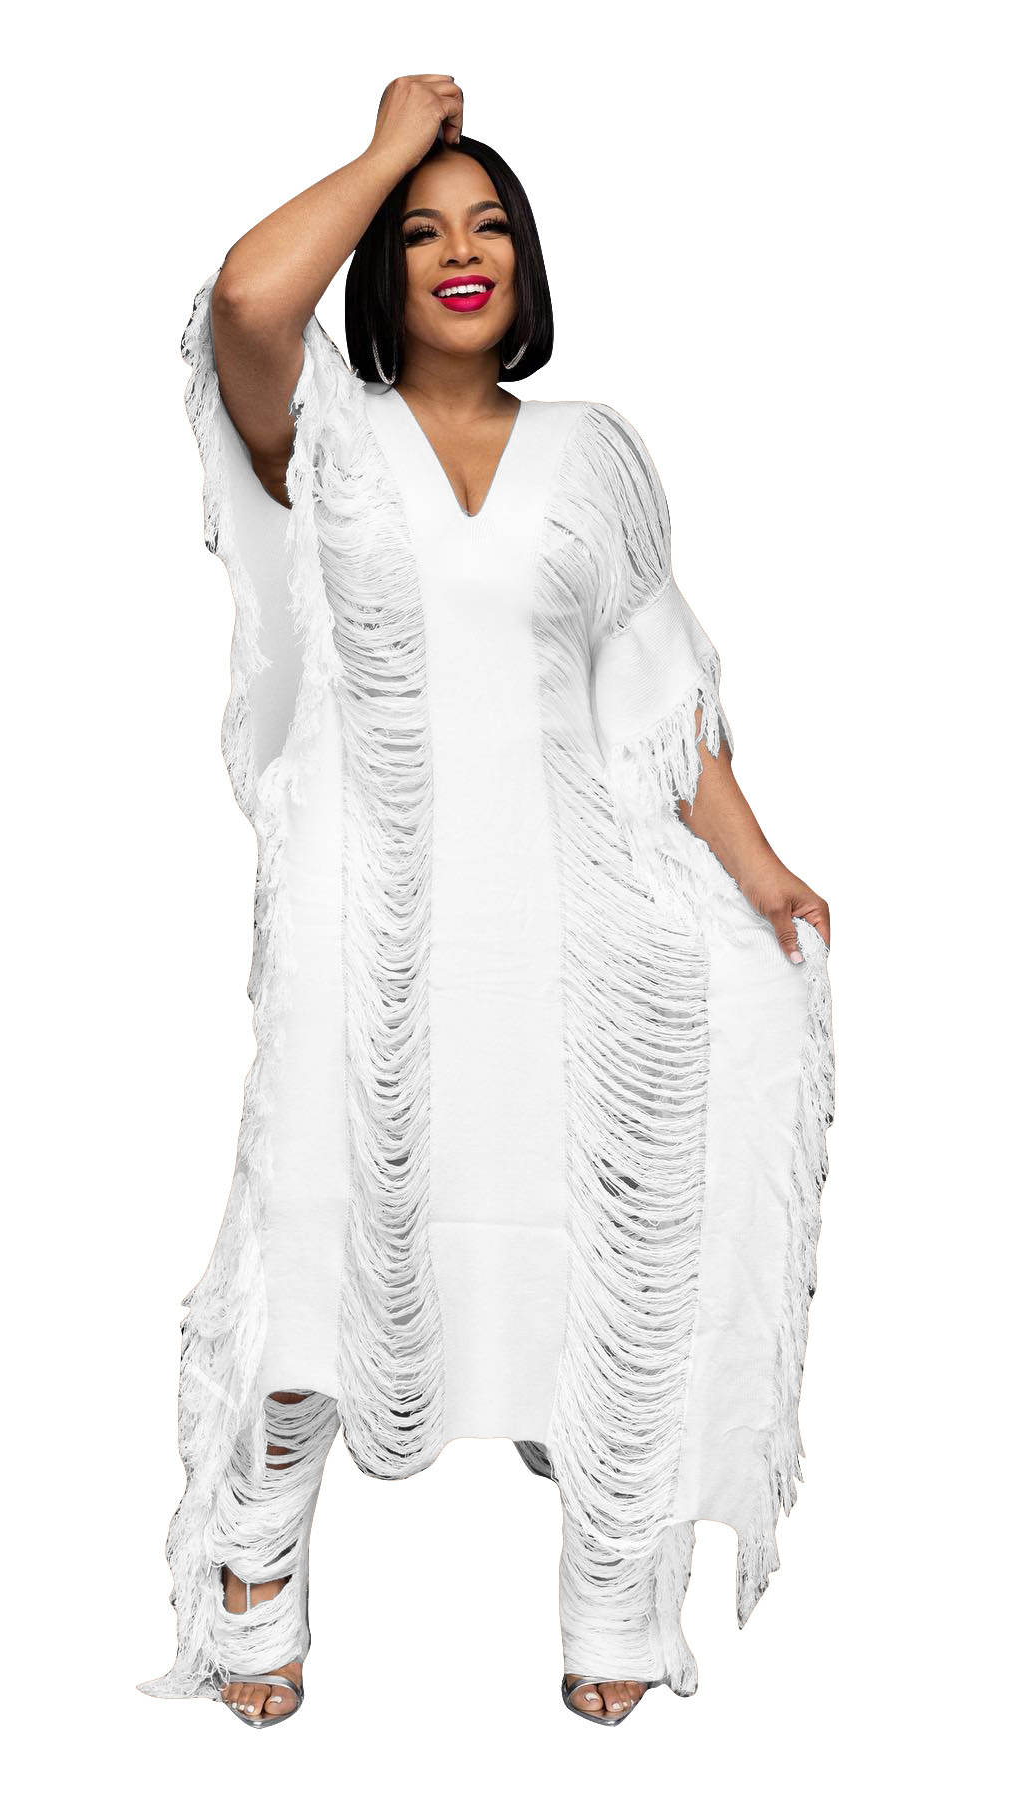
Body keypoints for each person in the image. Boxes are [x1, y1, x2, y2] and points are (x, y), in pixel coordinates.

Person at [139, 74, 835, 1729]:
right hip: (356, 912)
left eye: (489, 226)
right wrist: (391, 144)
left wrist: (762, 870)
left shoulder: (595, 457)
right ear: (381, 270)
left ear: (526, 263)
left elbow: (656, 698)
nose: (462, 254)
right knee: (319, 1217)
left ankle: (615, 1586)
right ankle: (252, 1574)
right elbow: (249, 300)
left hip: (559, 919)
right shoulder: (323, 436)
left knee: (589, 1232)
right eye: (422, 234)